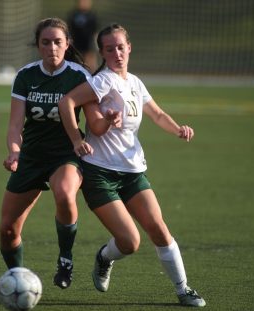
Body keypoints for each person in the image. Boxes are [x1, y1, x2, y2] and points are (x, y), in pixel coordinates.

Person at [58, 23, 206, 307]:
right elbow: (69, 104)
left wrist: (177, 129)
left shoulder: (135, 82)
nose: (116, 53)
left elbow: (157, 113)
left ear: (129, 48)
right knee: (129, 242)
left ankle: (183, 289)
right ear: (102, 52)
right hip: (99, 172)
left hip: (133, 171)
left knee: (159, 229)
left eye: (121, 47)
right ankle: (104, 258)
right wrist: (79, 138)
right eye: (109, 48)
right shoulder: (103, 81)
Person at [0, 17, 115, 290]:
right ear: (38, 46)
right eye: (46, 42)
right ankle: (18, 280)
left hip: (67, 154)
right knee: (7, 230)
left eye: (57, 42)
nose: (52, 47)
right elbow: (15, 125)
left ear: (67, 44)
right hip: (31, 156)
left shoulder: (79, 75)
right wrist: (14, 152)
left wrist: (109, 120)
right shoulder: (25, 76)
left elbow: (94, 122)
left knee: (64, 192)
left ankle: (65, 259)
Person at [67, 0, 99, 72]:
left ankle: (92, 77)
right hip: (76, 43)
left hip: (88, 44)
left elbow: (95, 31)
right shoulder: (73, 15)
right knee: (76, 62)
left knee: (90, 63)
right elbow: (69, 29)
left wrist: (96, 44)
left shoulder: (92, 15)